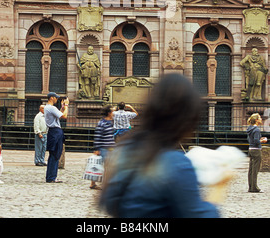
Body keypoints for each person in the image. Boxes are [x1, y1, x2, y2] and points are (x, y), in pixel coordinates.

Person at [100, 74, 220, 218]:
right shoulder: (176, 163)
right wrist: (219, 187)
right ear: (188, 119)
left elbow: (110, 201)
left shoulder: (125, 150)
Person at [44, 92, 69, 183]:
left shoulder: (47, 108)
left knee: (54, 155)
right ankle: (51, 177)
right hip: (56, 132)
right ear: (51, 98)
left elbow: (59, 114)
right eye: (56, 98)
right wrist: (66, 106)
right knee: (55, 154)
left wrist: (62, 107)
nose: (57, 99)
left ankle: (51, 176)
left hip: (52, 131)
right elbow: (64, 116)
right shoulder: (51, 108)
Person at [90, 105, 115, 190]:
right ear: (109, 113)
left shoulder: (112, 122)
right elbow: (97, 136)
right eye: (112, 111)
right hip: (104, 148)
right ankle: (100, 184)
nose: (113, 113)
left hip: (110, 147)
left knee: (104, 166)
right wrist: (96, 148)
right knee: (102, 166)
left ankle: (94, 183)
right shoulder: (102, 123)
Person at [247, 113, 267, 193]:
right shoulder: (257, 130)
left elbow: (251, 140)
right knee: (255, 170)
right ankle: (254, 188)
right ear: (256, 120)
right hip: (256, 150)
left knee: (251, 169)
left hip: (250, 149)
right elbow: (256, 141)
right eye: (259, 118)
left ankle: (251, 187)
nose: (261, 119)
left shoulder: (250, 128)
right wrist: (262, 141)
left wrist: (259, 139)